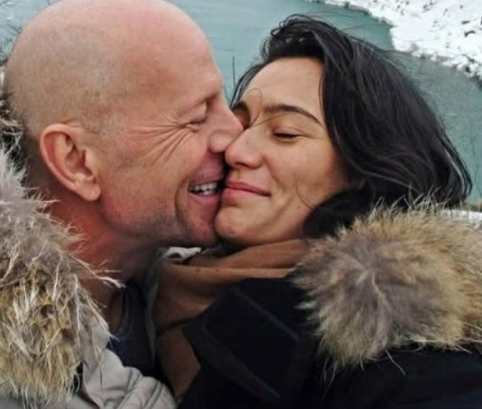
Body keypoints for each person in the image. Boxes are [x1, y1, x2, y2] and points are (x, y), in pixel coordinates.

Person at [0, 0, 242, 408]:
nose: (236, 135)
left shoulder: (176, 283)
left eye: (224, 102)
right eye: (196, 118)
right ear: (76, 161)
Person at [154, 16, 482, 408]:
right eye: (240, 126)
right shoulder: (157, 281)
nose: (236, 151)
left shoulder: (397, 335)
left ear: (362, 170)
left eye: (285, 133)